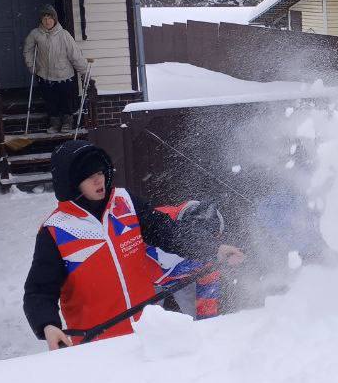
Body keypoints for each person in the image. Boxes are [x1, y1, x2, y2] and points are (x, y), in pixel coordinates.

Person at [23, 140, 245, 349]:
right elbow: (39, 291)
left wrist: (213, 249)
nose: (99, 180)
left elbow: (167, 231)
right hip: (95, 345)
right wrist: (47, 325)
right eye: (89, 176)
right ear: (70, 182)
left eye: (100, 172)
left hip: (146, 339)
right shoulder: (56, 230)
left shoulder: (125, 202)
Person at [23, 5, 89, 134]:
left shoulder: (64, 35)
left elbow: (74, 55)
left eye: (50, 18)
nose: (47, 21)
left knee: (65, 101)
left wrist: (84, 71)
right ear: (41, 20)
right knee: (51, 102)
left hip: (64, 75)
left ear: (55, 19)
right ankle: (54, 124)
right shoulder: (35, 34)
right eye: (45, 18)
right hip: (44, 75)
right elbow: (28, 51)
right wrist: (32, 66)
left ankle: (67, 123)